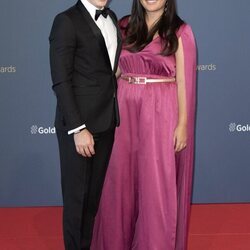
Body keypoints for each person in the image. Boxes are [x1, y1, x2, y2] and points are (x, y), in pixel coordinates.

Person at [92, 0, 196, 249]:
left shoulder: (180, 31)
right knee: (120, 182)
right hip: (125, 111)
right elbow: (113, 71)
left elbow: (184, 81)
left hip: (160, 113)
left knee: (155, 185)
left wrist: (182, 124)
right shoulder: (124, 26)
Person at [49, 0, 121, 249]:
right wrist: (78, 129)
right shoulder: (66, 21)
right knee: (76, 202)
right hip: (80, 129)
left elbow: (108, 69)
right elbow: (61, 80)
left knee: (91, 203)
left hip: (106, 122)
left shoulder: (112, 18)